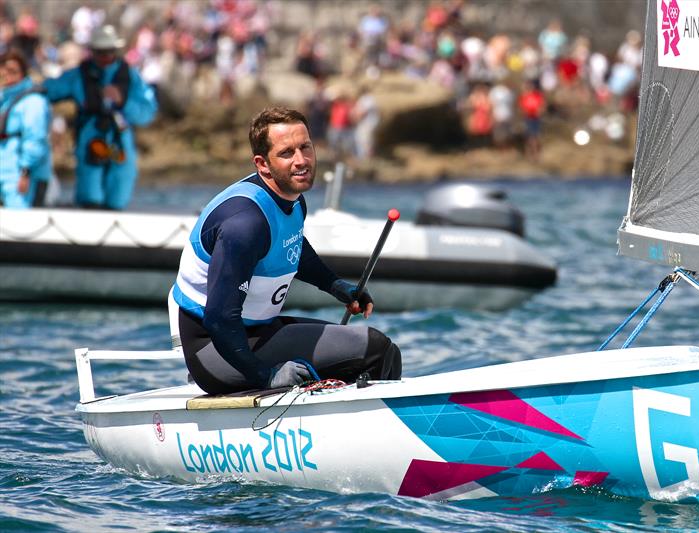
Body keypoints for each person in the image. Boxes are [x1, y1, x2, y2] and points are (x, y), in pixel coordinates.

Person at [169, 106, 402, 395]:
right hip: (216, 350)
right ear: (262, 164)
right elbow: (219, 320)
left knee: (376, 348)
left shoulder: (291, 198)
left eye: (306, 147)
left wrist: (336, 286)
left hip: (258, 330)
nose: (301, 161)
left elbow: (292, 247)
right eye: (287, 152)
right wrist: (266, 376)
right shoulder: (245, 225)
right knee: (375, 350)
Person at [43, 24, 157, 210]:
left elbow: (148, 112)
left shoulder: (130, 77)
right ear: (93, 51)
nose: (105, 57)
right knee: (90, 194)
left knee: (119, 192)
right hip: (91, 139)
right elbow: (50, 90)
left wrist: (123, 102)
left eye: (109, 52)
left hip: (120, 141)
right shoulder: (80, 74)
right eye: (100, 52)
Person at [0, 49, 52, 208]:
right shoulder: (5, 98)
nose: (7, 75)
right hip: (6, 170)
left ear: (22, 73)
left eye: (13, 71)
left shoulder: (33, 101)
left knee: (22, 219)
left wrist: (25, 172)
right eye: (4, 70)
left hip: (22, 174)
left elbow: (35, 139)